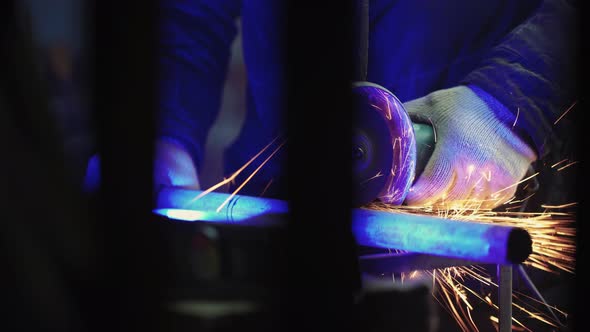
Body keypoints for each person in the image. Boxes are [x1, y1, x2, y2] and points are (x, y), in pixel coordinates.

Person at [86, 0, 578, 210]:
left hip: (480, 173)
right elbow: (190, 13)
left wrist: (512, 103)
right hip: (280, 198)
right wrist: (167, 133)